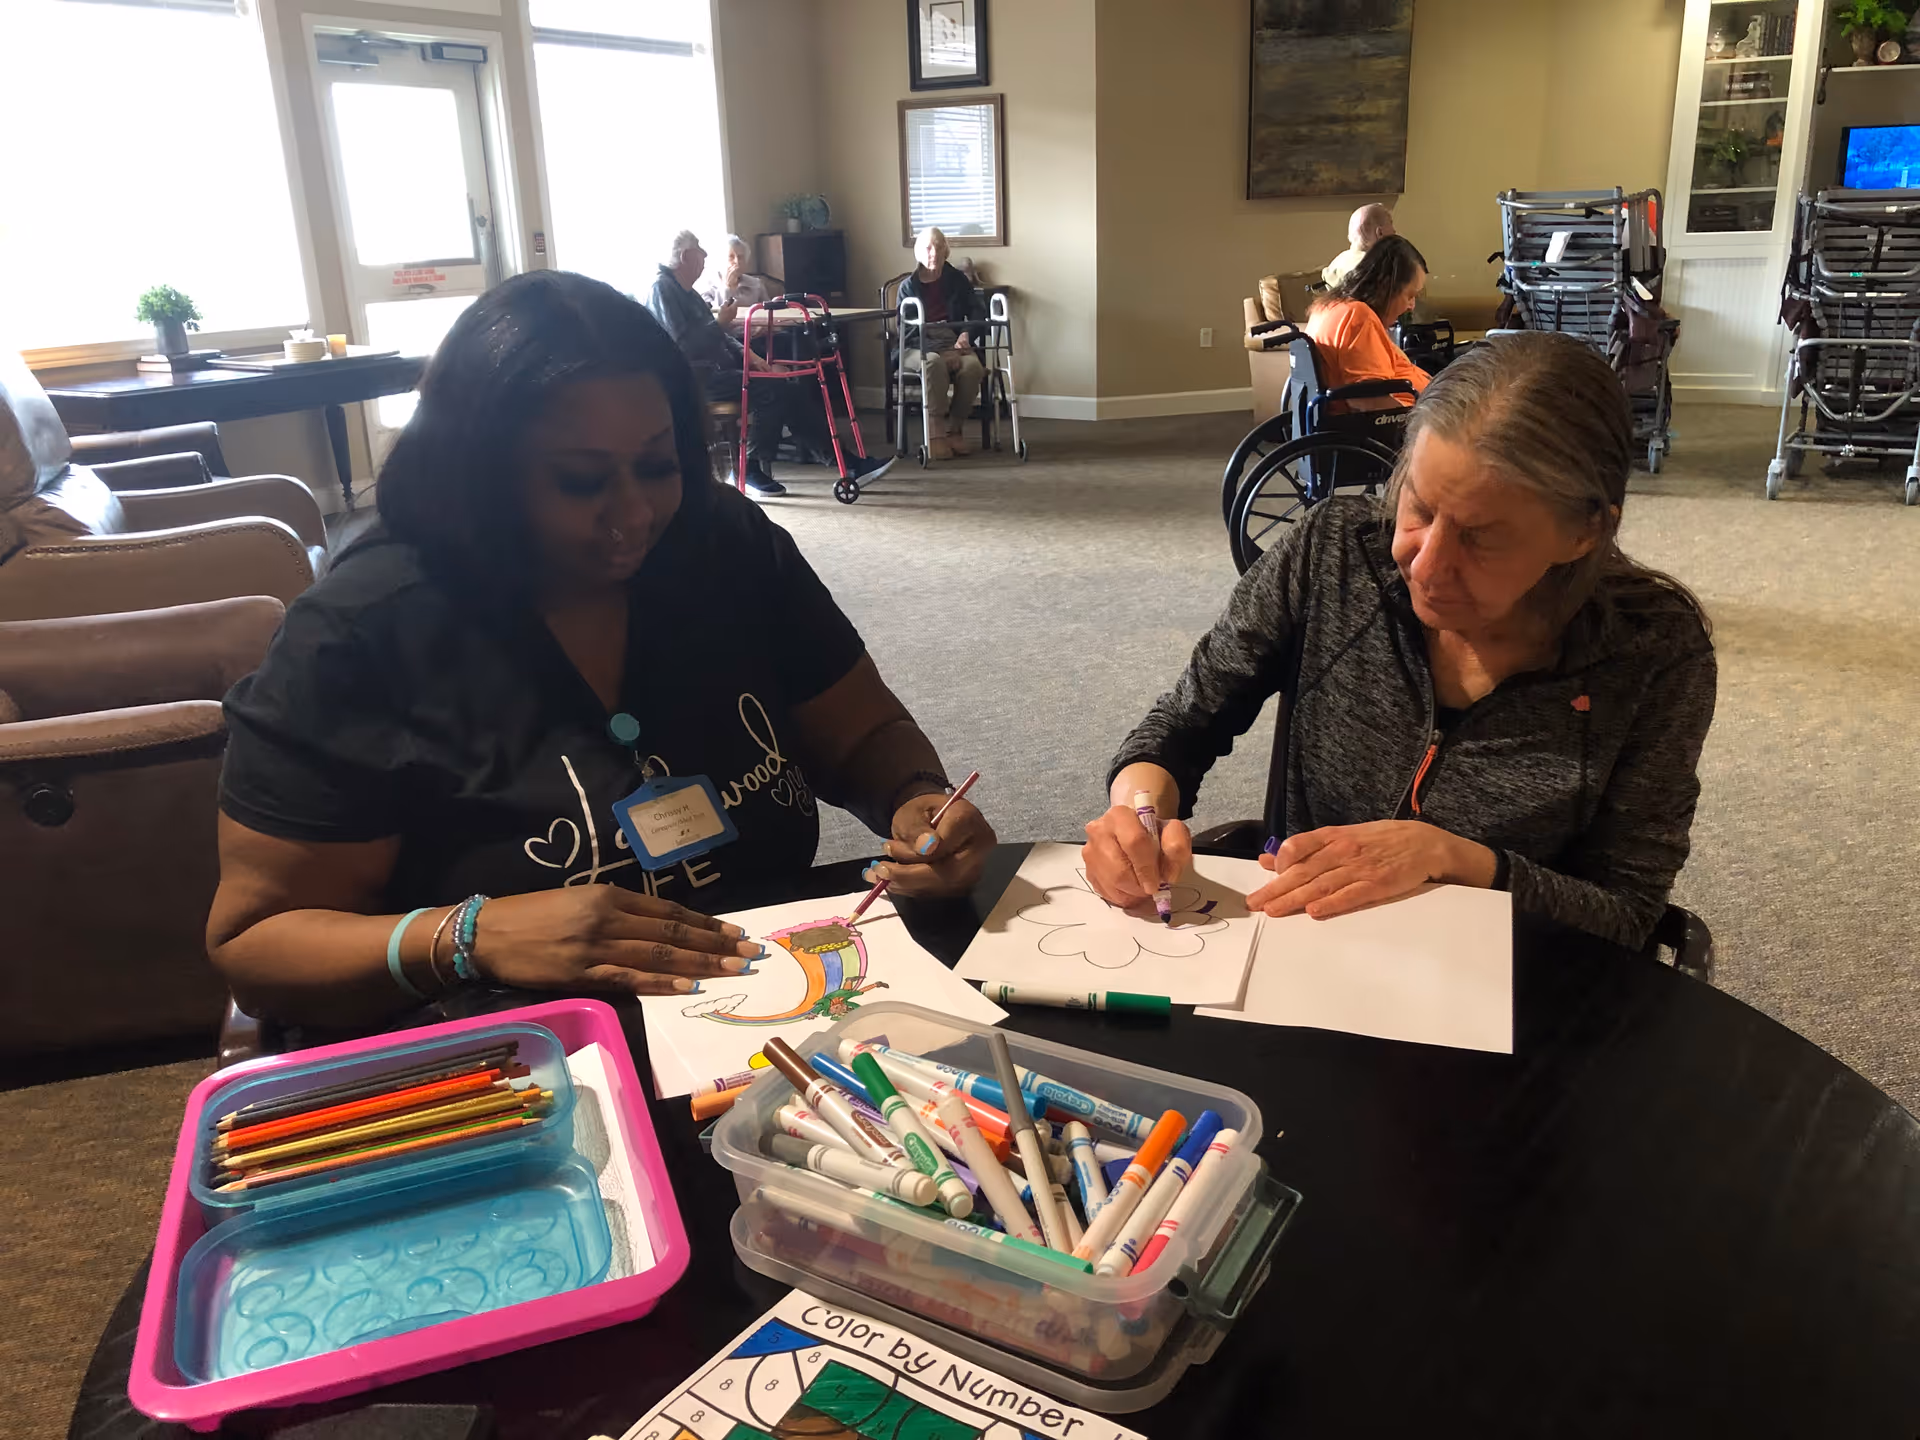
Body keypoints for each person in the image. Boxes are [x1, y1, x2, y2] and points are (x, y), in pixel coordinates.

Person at [207, 271, 993, 1028]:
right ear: (479, 476)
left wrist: (917, 800)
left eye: (659, 465)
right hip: (520, 1059)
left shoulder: (723, 546)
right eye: (581, 482)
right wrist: (474, 937)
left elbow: (865, 735)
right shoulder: (360, 633)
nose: (633, 514)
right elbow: (255, 946)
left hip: (772, 1013)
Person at [1083, 332, 1716, 952]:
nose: (1426, 565)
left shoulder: (1654, 650)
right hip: (1306, 954)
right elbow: (1185, 722)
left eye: (1481, 537)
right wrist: (1139, 809)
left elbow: (1628, 914)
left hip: (1512, 988)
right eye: (1418, 508)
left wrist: (1458, 859)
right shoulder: (1332, 553)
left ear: (1585, 533)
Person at [648, 230, 892, 499]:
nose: (705, 255)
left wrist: (754, 359)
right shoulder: (663, 290)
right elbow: (681, 347)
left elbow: (723, 337)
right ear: (685, 256)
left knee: (791, 387)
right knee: (772, 390)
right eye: (699, 250)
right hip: (696, 380)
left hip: (720, 372)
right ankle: (747, 470)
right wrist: (720, 323)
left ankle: (845, 463)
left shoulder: (689, 293)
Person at [1306, 235, 1432, 410]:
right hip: (1399, 426)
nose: (1411, 306)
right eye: (1409, 295)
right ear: (1387, 286)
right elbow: (1367, 400)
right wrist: (1425, 423)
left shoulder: (1327, 307)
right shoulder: (1357, 317)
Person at [898, 227, 985, 461]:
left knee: (973, 368)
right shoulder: (908, 287)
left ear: (946, 250)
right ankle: (935, 433)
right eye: (927, 247)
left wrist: (966, 334)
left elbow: (978, 313)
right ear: (918, 252)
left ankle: (954, 430)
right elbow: (906, 332)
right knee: (934, 363)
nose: (933, 252)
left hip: (953, 340)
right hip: (917, 346)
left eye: (938, 246)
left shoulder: (957, 280)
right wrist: (938, 350)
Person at [1322, 202, 1396, 289]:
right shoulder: (1383, 267)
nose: (1394, 231)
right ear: (1379, 233)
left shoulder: (1336, 264)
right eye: (1390, 223)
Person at [700, 235, 773, 312]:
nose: (737, 262)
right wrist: (727, 289)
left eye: (740, 257)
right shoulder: (707, 287)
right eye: (731, 257)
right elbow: (713, 317)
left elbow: (769, 313)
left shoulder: (756, 284)